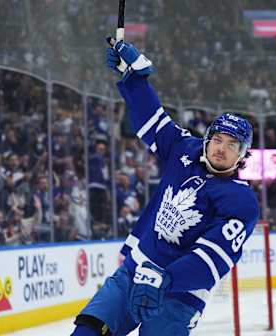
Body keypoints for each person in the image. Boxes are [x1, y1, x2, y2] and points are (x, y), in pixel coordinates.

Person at [71, 40, 259, 336]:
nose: (222, 149)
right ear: (208, 139)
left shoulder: (241, 201)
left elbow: (211, 260)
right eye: (218, 140)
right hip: (134, 272)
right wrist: (134, 77)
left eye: (232, 144)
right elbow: (152, 118)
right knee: (87, 331)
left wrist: (166, 278)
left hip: (179, 294)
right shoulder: (184, 149)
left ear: (242, 154)